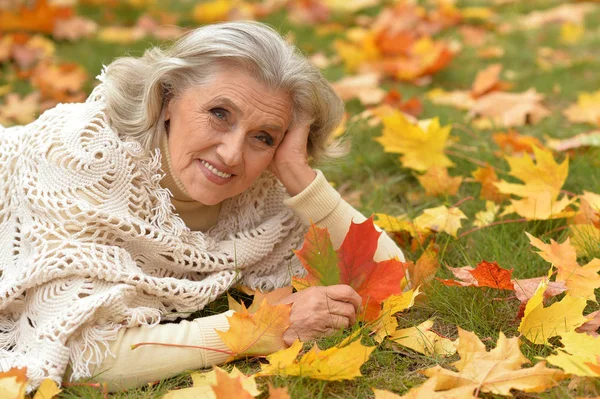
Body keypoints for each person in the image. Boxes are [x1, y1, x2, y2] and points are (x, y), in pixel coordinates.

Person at [0, 21, 405, 392]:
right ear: (169, 96)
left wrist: (299, 175)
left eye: (263, 137)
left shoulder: (261, 194)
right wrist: (267, 327)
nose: (232, 154)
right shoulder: (84, 156)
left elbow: (390, 275)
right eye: (219, 114)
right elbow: (86, 356)